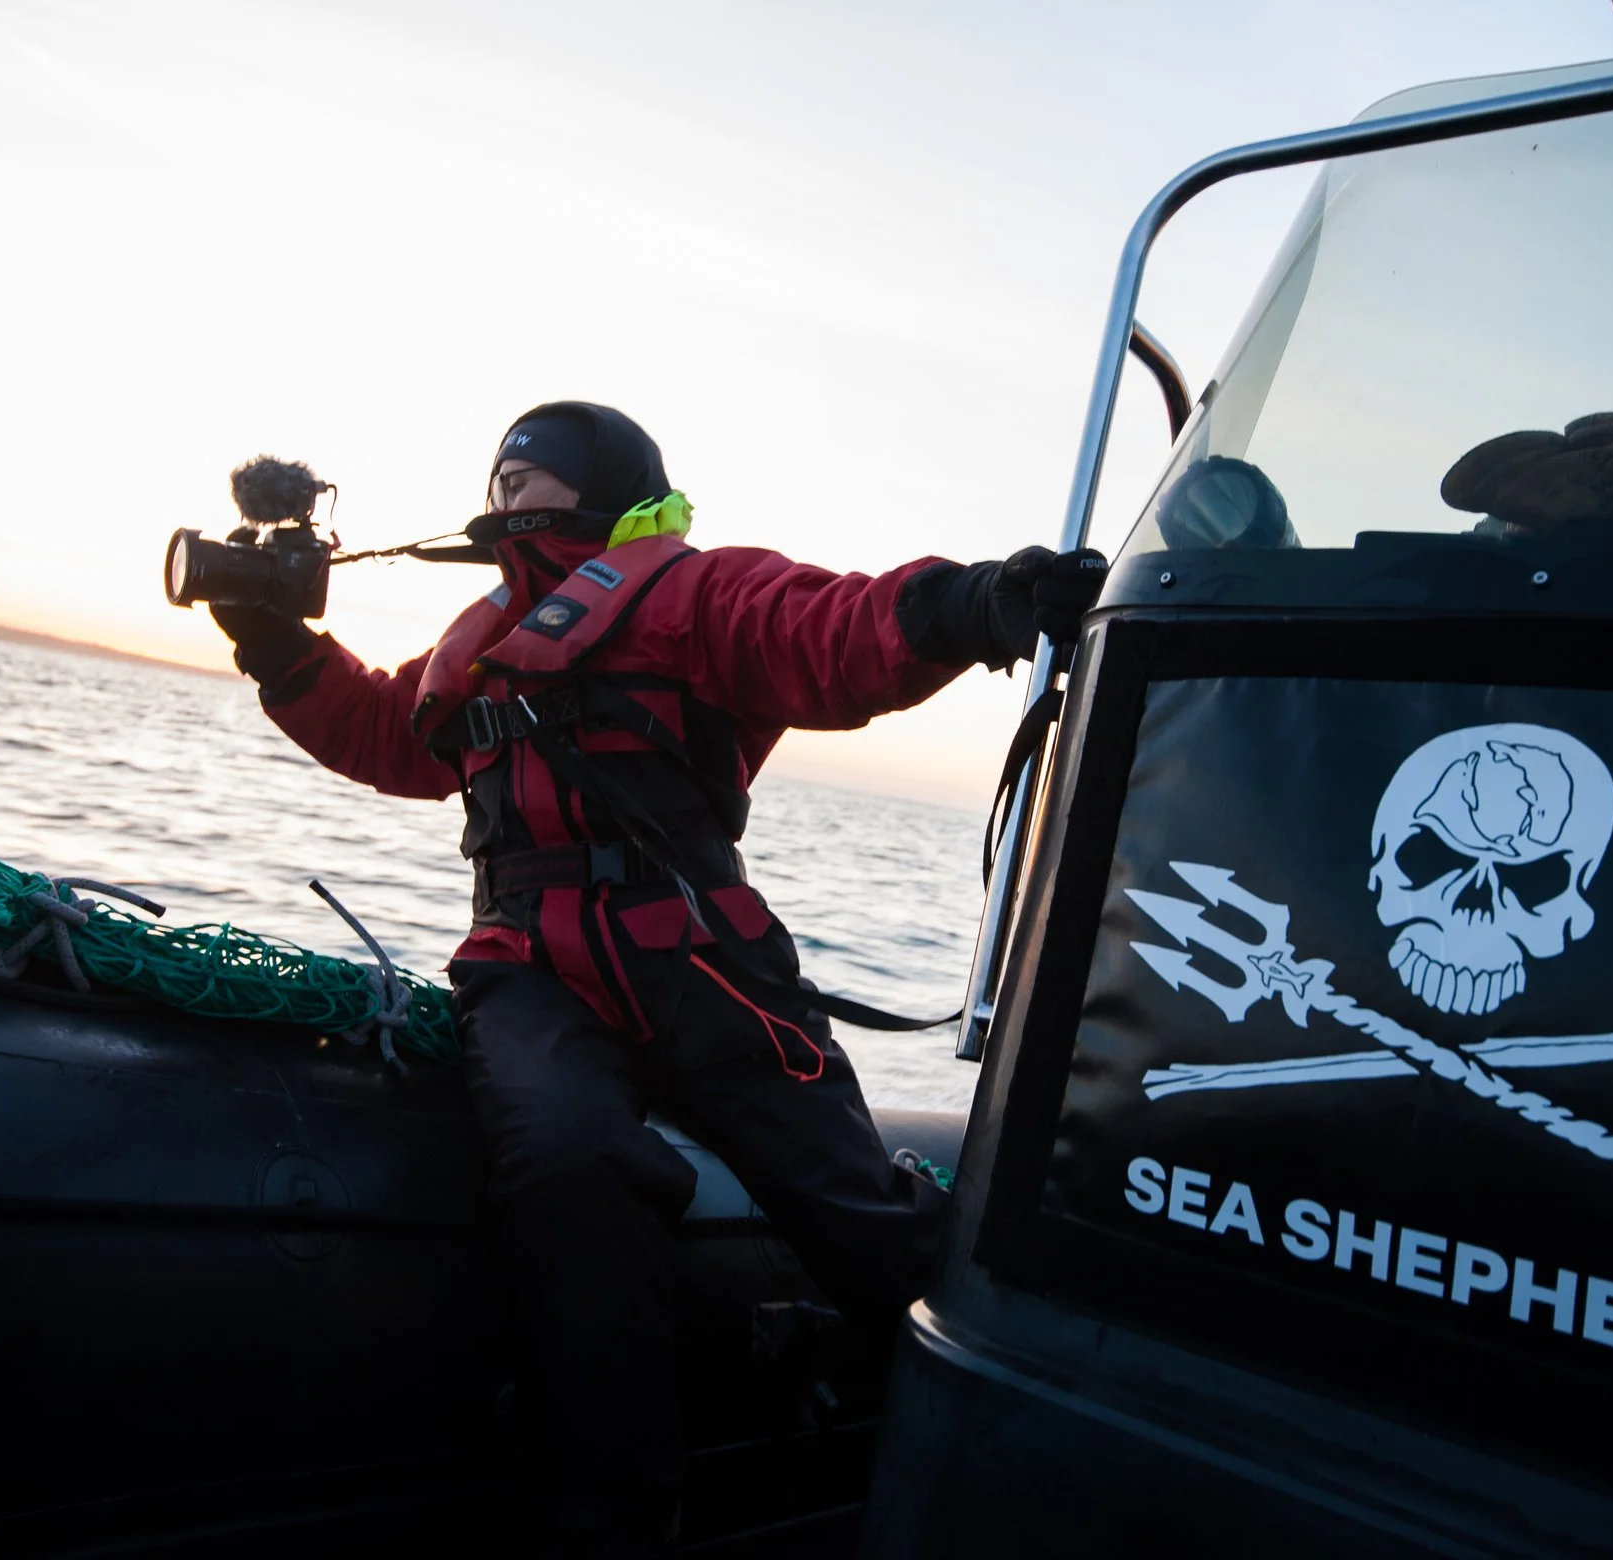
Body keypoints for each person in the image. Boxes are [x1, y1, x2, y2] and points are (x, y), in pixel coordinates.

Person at [205, 401, 1105, 1554]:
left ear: (597, 485)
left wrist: (972, 601)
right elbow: (391, 735)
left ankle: (1039, 1414)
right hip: (527, 962)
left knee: (856, 1217)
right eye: (500, 477)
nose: (504, 492)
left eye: (528, 476)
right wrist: (276, 644)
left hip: (701, 956)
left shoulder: (693, 593)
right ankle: (618, 1511)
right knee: (561, 1160)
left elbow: (829, 632)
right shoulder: (477, 635)